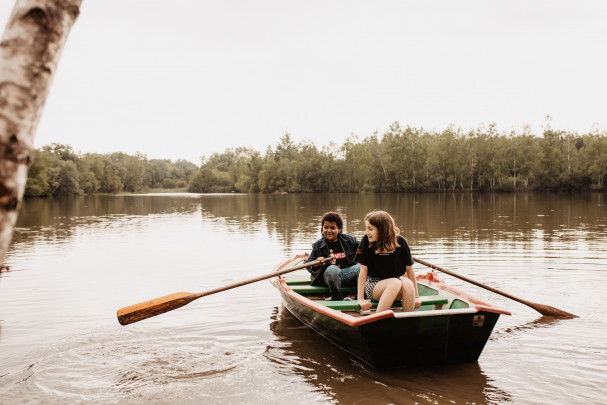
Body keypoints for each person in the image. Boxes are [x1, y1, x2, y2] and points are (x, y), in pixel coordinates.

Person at [356, 210, 421, 313]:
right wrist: (360, 299)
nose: (367, 232)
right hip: (374, 285)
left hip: (395, 282)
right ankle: (378, 320)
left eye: (370, 229)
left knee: (408, 283)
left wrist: (416, 296)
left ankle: (407, 322)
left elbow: (409, 270)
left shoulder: (400, 242)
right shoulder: (366, 242)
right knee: (395, 283)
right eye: (366, 228)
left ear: (382, 230)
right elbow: (363, 272)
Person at [306, 211, 361, 301]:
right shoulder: (318, 245)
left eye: (332, 228)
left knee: (361, 267)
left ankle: (360, 297)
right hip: (329, 277)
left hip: (347, 275)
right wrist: (316, 264)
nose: (328, 231)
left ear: (339, 229)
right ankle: (337, 297)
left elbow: (364, 249)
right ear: (322, 228)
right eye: (326, 227)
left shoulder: (349, 240)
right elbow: (309, 265)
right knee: (332, 269)